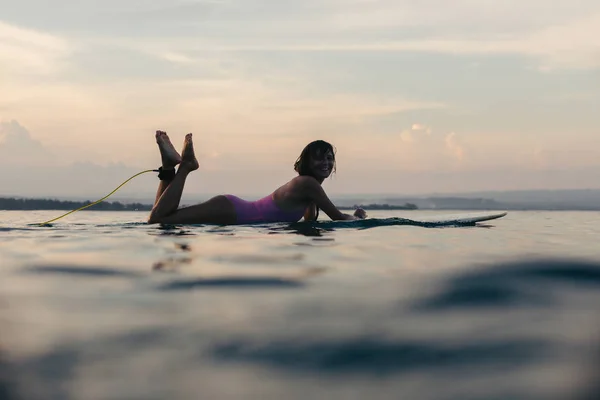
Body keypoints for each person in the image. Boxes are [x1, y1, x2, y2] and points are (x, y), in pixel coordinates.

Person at [147, 131, 367, 225]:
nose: (326, 163)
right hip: (232, 211)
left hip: (233, 211)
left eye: (329, 158)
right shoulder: (307, 184)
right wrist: (359, 218)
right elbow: (337, 218)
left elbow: (309, 222)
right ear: (307, 162)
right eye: (319, 159)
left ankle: (168, 166)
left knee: (162, 222)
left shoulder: (307, 189)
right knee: (159, 220)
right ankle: (186, 166)